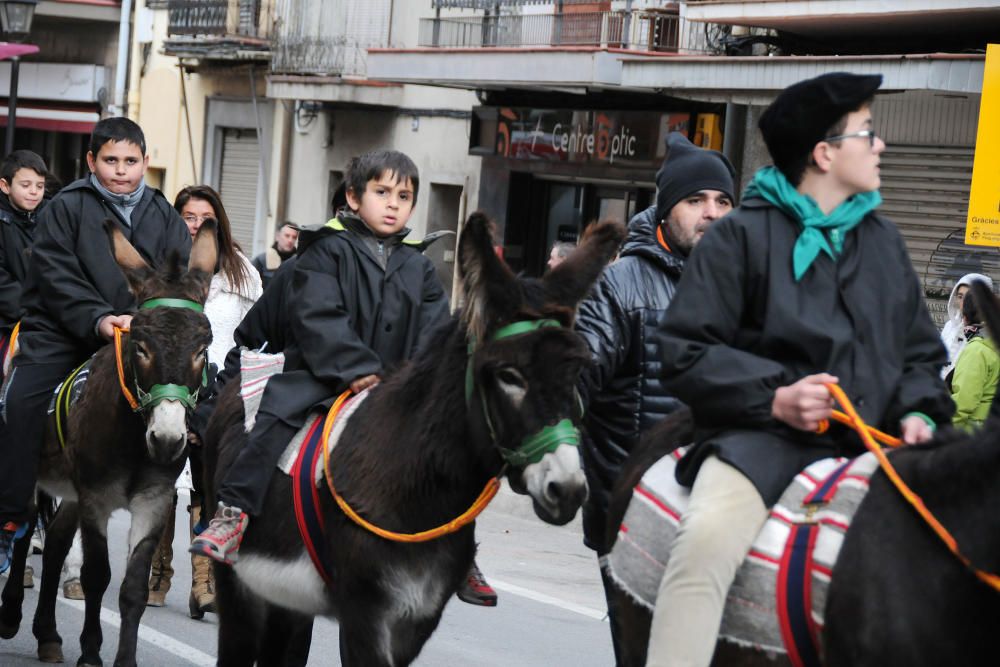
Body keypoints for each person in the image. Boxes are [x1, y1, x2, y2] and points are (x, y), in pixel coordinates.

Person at [646, 72, 954, 666]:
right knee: (704, 543)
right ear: (824, 154)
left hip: (879, 447)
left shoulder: (885, 242)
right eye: (867, 133)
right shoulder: (737, 237)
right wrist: (776, 398)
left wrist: (919, 409)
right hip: (762, 442)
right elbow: (684, 351)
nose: (880, 145)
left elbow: (920, 354)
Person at [191, 149, 450, 568]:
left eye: (403, 197)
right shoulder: (324, 251)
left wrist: (414, 380)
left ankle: (456, 545)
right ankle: (233, 513)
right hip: (321, 374)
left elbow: (436, 332)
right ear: (352, 197)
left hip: (397, 384)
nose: (392, 204)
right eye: (381, 192)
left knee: (448, 441)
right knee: (273, 421)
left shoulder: (419, 267)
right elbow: (318, 314)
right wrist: (356, 367)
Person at [0, 117, 191, 573]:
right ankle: (9, 521)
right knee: (21, 403)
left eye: (131, 160)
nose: (121, 170)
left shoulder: (165, 214)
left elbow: (178, 280)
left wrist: (147, 324)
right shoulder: (63, 207)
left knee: (188, 398)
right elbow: (54, 274)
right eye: (110, 160)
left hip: (140, 338)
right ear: (91, 161)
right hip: (64, 331)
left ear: (146, 161)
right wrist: (100, 319)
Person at [575, 132, 735, 662]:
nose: (711, 213)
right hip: (634, 517)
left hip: (719, 513)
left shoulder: (747, 287)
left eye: (722, 201)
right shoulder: (619, 285)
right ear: (666, 212)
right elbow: (577, 381)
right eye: (695, 201)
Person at [143, 185, 263, 613]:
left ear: (220, 223)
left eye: (204, 218)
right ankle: (158, 576)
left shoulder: (244, 275)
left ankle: (204, 584)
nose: (195, 225)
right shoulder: (163, 270)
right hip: (169, 390)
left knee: (207, 490)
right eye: (188, 217)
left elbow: (253, 340)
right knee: (162, 485)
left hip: (220, 393)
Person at [950, 289, 999, 432]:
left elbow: (964, 401)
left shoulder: (976, 351)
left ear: (965, 318)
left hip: (974, 433)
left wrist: (943, 431)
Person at [940, 272, 993, 381]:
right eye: (960, 296)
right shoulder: (950, 326)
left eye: (969, 297)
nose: (964, 302)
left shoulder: (990, 334)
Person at [252, 221, 299, 288]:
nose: (290, 240)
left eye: (294, 237)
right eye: (287, 236)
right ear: (277, 236)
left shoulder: (300, 262)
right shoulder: (262, 260)